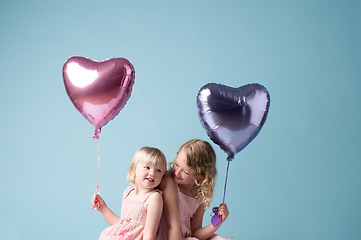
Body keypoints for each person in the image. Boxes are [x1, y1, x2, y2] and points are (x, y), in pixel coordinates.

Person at [158, 139, 233, 240]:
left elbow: (195, 233)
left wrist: (218, 222)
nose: (177, 172)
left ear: (201, 176)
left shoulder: (199, 196)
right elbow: (173, 226)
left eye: (185, 171)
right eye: (176, 164)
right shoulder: (169, 182)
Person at [93, 147, 167, 240]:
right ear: (133, 169)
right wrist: (103, 208)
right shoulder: (128, 194)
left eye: (158, 170)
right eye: (147, 167)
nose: (152, 173)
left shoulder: (153, 198)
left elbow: (149, 235)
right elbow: (121, 227)